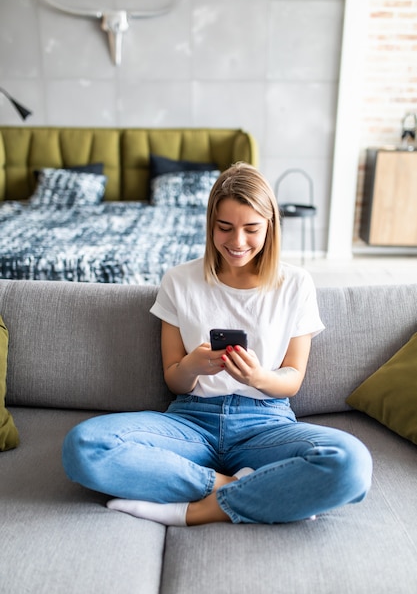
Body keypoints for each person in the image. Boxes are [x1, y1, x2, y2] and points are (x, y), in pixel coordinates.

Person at [62, 162, 372, 526]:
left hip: (266, 425)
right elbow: (174, 379)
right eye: (224, 228)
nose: (237, 242)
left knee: (350, 463)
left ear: (270, 226)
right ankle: (242, 489)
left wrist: (258, 377)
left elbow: (293, 378)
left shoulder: (296, 284)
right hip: (191, 421)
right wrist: (192, 366)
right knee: (84, 446)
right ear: (210, 224)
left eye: (251, 229)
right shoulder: (179, 280)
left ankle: (197, 510)